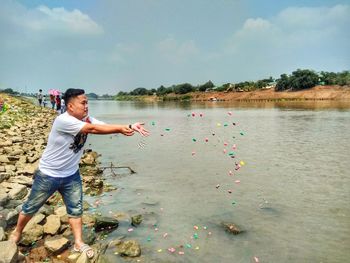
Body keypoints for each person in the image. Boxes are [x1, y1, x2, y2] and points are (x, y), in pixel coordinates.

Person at [10, 88, 149, 258]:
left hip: (71, 174)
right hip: (49, 174)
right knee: (31, 206)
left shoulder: (85, 118)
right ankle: (17, 232)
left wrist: (128, 126)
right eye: (83, 103)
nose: (86, 106)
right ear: (70, 106)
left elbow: (100, 126)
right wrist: (120, 129)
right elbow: (92, 129)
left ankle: (78, 242)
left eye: (87, 102)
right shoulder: (63, 120)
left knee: (75, 209)